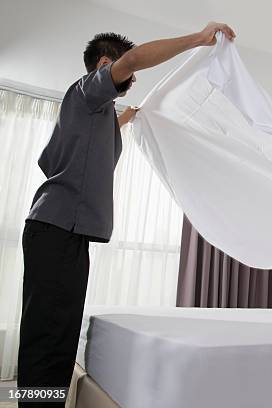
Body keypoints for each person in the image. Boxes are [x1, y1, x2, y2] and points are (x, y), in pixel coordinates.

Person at [18, 22, 236, 407]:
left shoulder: (92, 113)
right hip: (57, 230)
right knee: (47, 338)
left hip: (62, 232)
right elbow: (134, 59)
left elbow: (89, 147)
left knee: (58, 335)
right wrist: (198, 39)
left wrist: (128, 118)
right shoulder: (85, 92)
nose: (134, 77)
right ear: (105, 65)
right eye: (128, 72)